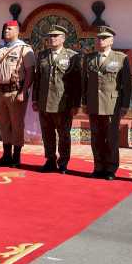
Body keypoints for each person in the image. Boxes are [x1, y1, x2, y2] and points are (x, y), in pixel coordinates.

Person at [82, 26, 132, 180]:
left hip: (112, 104)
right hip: (94, 104)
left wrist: (125, 105)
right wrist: (84, 102)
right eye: (99, 38)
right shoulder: (89, 58)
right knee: (96, 138)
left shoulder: (120, 58)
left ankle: (111, 169)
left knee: (111, 138)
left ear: (111, 40)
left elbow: (127, 84)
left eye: (104, 38)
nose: (101, 40)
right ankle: (98, 167)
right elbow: (85, 82)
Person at [32, 25, 81, 173]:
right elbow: (37, 79)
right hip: (44, 101)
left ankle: (64, 162)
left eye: (56, 36)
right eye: (50, 36)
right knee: (47, 133)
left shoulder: (72, 56)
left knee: (64, 134)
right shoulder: (42, 55)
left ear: (63, 38)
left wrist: (75, 104)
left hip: (63, 103)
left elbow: (76, 83)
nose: (52, 39)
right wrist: (35, 99)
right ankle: (50, 160)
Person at [0, 20, 35, 167]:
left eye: (9, 29)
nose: (6, 31)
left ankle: (16, 156)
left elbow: (31, 72)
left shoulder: (24, 49)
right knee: (3, 124)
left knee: (17, 125)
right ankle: (6, 155)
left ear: (17, 31)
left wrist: (24, 91)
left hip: (15, 93)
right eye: (5, 29)